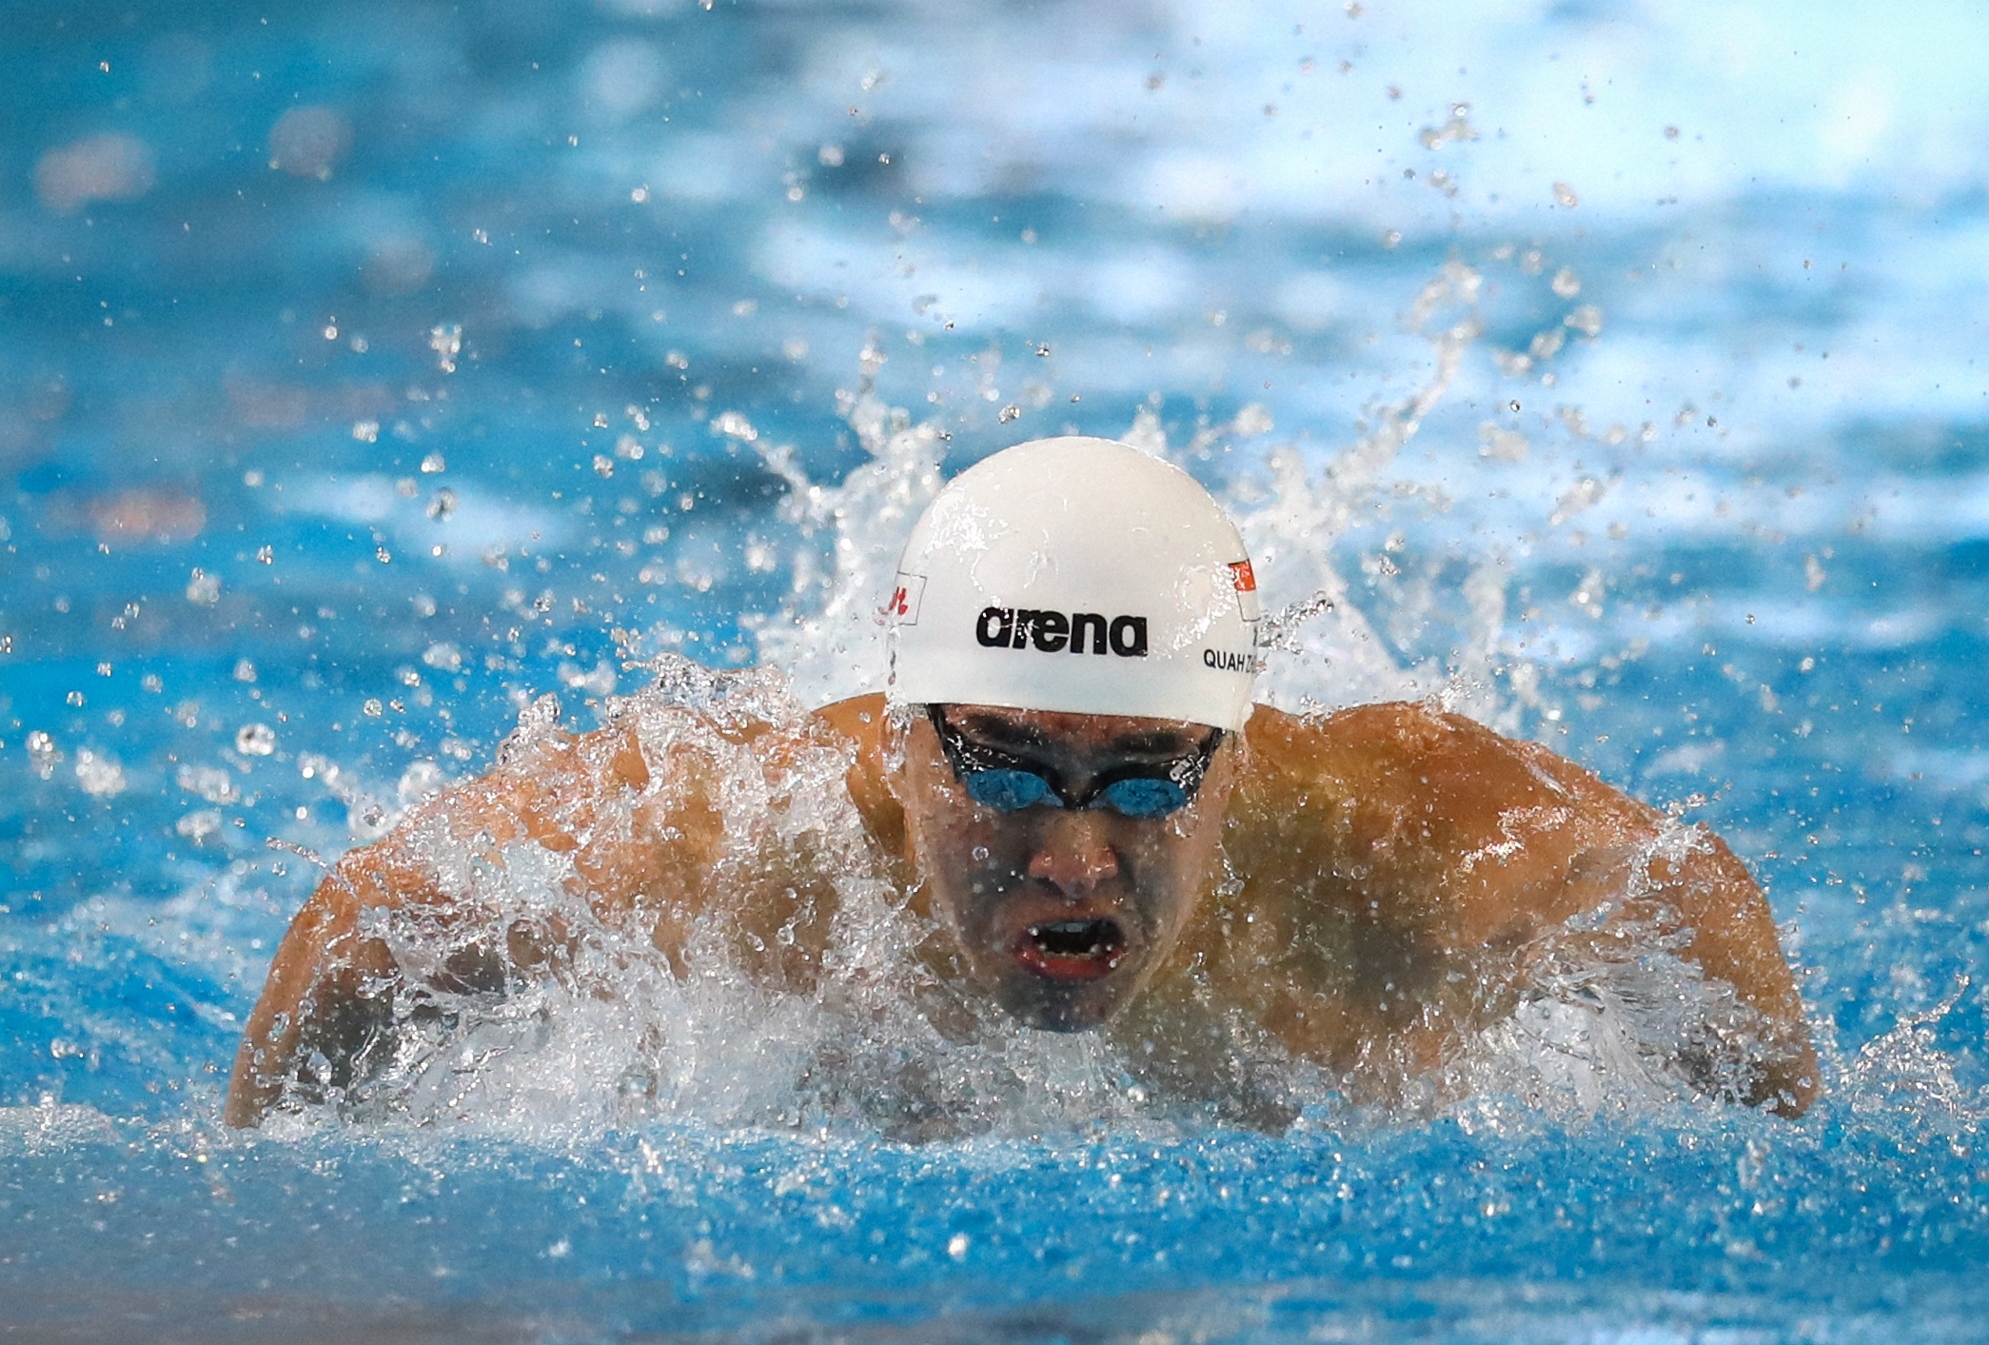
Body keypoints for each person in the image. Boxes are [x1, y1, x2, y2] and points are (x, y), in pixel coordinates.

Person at [227, 437, 1818, 1127]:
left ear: (1232, 755)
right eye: (1006, 770)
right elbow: (392, 899)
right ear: (905, 738)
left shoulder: (1406, 867)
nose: (1071, 855)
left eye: (1142, 782)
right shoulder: (737, 849)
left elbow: (1683, 887)